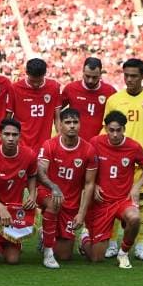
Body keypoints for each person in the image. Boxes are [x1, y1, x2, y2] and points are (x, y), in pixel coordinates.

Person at [103, 58, 143, 261]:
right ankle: (112, 243)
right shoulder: (114, 99)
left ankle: (139, 245)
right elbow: (104, 128)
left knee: (140, 203)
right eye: (126, 75)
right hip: (116, 162)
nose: (129, 80)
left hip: (140, 162)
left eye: (134, 76)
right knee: (113, 202)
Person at [81, 111, 143, 269]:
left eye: (118, 130)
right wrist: (95, 185)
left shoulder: (133, 146)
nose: (114, 134)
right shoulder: (95, 142)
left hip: (122, 200)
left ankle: (123, 253)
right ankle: (85, 237)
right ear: (106, 128)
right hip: (101, 203)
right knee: (96, 257)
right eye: (111, 130)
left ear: (124, 129)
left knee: (134, 218)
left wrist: (136, 187)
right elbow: (84, 167)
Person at [35, 108, 98, 269]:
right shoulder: (49, 145)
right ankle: (48, 252)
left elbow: (89, 183)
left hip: (71, 202)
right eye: (67, 122)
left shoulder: (88, 150)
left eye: (75, 122)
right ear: (60, 125)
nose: (71, 126)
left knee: (64, 256)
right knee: (54, 203)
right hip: (48, 192)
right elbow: (41, 172)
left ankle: (47, 234)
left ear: (80, 125)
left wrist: (82, 213)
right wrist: (54, 186)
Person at [0, 118, 38, 270]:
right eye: (7, 134)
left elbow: (32, 176)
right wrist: (0, 207)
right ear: (0, 136)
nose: (11, 138)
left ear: (20, 136)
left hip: (15, 209)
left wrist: (32, 194)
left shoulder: (29, 155)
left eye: (14, 135)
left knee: (12, 260)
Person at [12, 57, 62, 152]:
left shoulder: (54, 87)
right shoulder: (15, 88)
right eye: (33, 80)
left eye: (39, 81)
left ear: (44, 74)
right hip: (20, 144)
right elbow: (8, 118)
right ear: (26, 73)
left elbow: (57, 117)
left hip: (44, 145)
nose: (35, 84)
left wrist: (59, 136)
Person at [61, 57, 116, 140]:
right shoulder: (71, 88)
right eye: (87, 76)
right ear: (83, 72)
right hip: (74, 141)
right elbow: (55, 109)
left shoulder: (110, 91)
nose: (90, 80)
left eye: (94, 77)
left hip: (100, 142)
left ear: (100, 74)